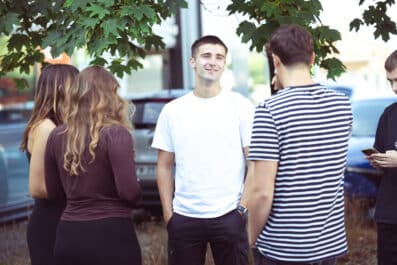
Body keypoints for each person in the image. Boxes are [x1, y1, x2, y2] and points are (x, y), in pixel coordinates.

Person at [246, 24, 352, 264]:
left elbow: (262, 193)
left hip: (283, 248)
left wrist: (249, 239)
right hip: (328, 244)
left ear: (275, 60)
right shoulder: (342, 105)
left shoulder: (270, 111)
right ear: (312, 58)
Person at [152, 35, 254, 265]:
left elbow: (254, 163)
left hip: (229, 215)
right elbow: (164, 166)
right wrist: (170, 215)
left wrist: (242, 209)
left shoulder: (241, 107)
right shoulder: (173, 111)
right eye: (206, 55)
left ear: (224, 63)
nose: (213, 62)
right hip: (185, 217)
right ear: (192, 62)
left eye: (219, 57)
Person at [44, 66, 142, 265]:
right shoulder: (116, 134)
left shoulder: (56, 135)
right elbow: (129, 193)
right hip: (111, 235)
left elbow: (53, 193)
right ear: (110, 95)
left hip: (69, 235)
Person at [20, 63, 79, 265]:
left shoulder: (57, 127)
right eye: (76, 85)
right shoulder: (45, 128)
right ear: (61, 88)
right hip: (50, 224)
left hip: (62, 221)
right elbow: (37, 188)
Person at [366, 50, 397, 265]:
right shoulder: (388, 114)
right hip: (389, 215)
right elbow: (380, 154)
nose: (394, 87)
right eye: (390, 81)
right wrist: (377, 161)